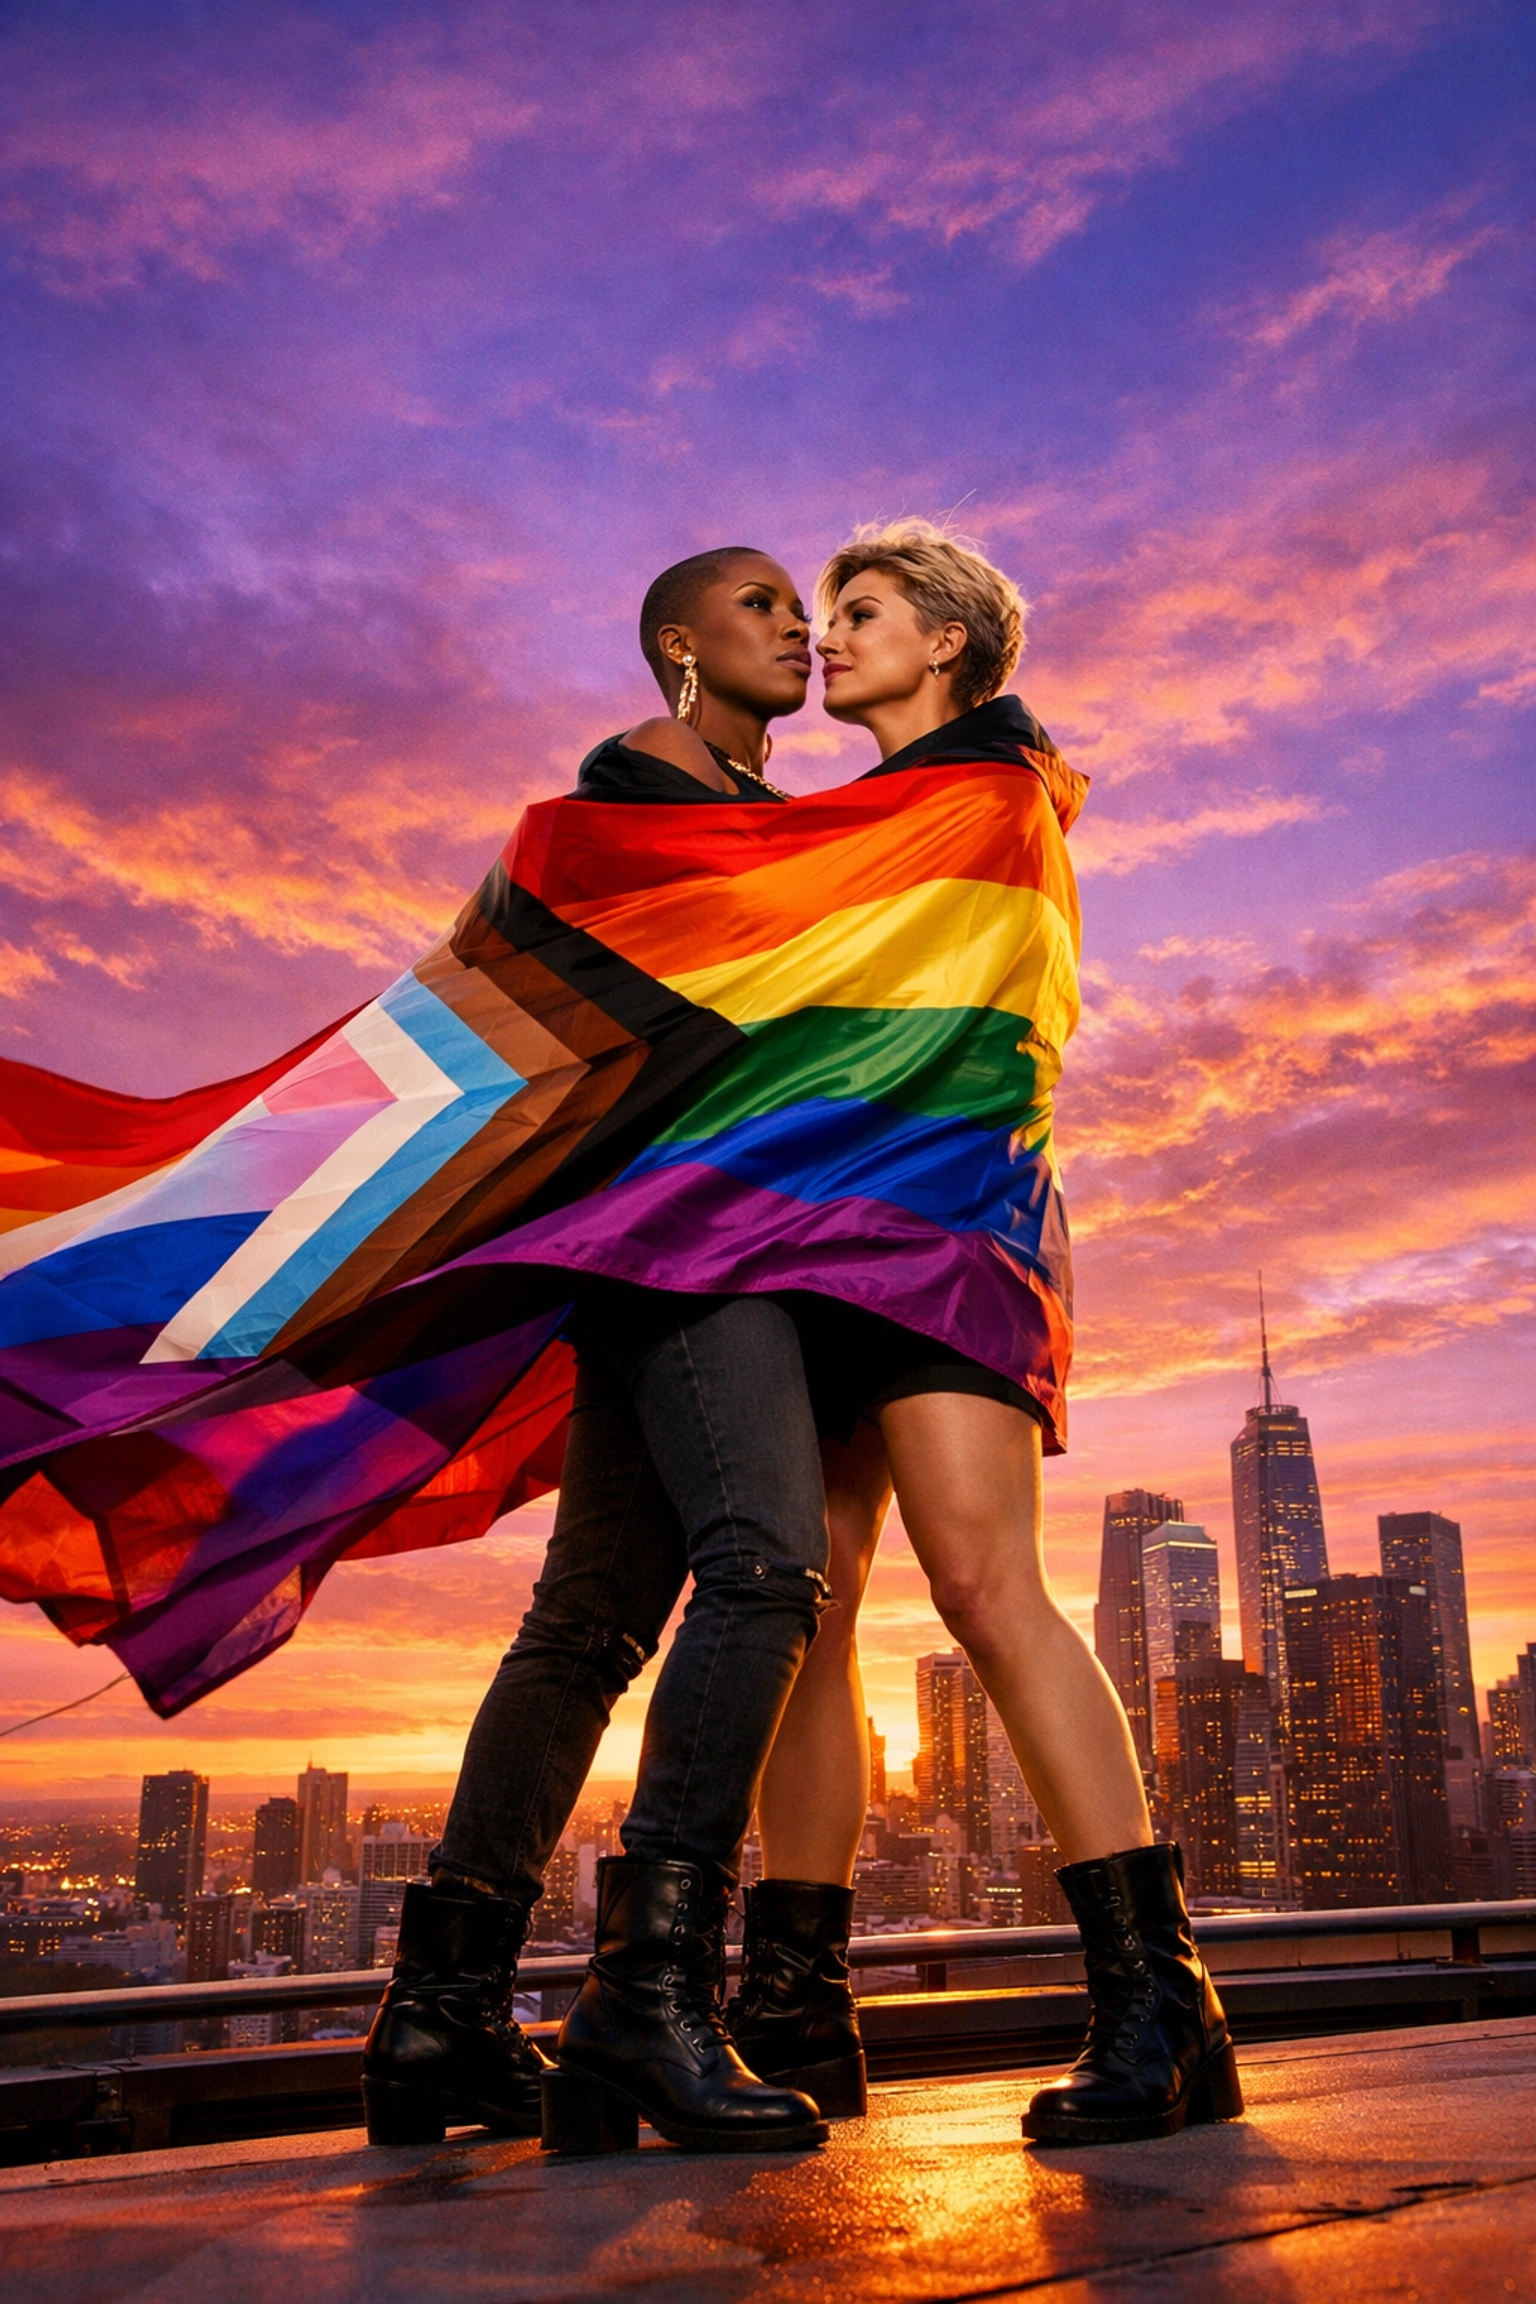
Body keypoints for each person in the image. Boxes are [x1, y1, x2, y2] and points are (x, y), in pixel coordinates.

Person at [724, 521, 1242, 2148]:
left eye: (860, 613)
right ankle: (797, 2011)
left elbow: (987, 1030)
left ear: (944, 640)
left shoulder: (997, 798)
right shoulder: (851, 818)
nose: (829, 637)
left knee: (985, 1580)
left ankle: (1162, 2006)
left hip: (949, 1227)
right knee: (805, 1606)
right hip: (814, 1235)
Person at [363, 550, 834, 2158]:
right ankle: (648, 1992)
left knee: (582, 1626)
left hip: (726, 1251)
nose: (799, 622)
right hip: (676, 1249)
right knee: (765, 1569)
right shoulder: (598, 830)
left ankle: (441, 2013)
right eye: (759, 600)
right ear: (675, 647)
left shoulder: (797, 838)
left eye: (803, 602)